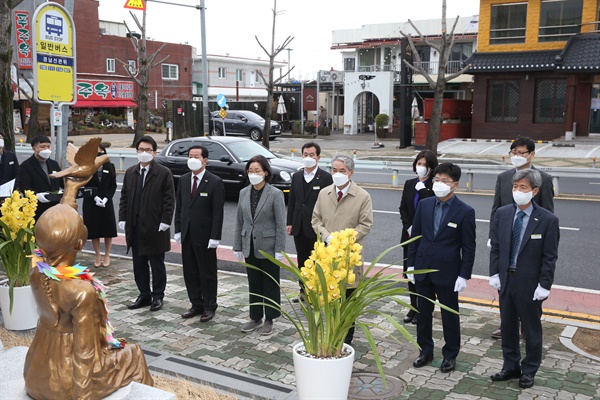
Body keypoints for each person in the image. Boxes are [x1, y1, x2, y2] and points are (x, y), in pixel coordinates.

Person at [489, 169, 559, 389]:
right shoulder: (503, 213)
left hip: (530, 284)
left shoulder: (548, 220)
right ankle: (511, 366)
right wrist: (494, 273)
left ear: (535, 191)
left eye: (523, 188)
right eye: (515, 187)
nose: (517, 191)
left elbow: (550, 256)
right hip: (506, 281)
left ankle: (529, 370)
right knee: (507, 327)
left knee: (530, 329)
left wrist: (544, 285)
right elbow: (496, 247)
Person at [407, 162, 476, 373]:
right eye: (436, 180)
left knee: (449, 316)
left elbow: (469, 246)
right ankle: (425, 351)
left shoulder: (465, 211)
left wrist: (464, 275)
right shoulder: (425, 205)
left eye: (444, 181)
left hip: (448, 272)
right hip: (422, 268)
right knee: (423, 313)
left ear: (454, 185)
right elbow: (415, 237)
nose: (439, 184)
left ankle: (450, 355)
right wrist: (410, 265)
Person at [488, 136, 554, 339]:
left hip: (531, 241)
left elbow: (548, 213)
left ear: (532, 154)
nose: (516, 156)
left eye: (521, 153)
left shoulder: (543, 179)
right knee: (506, 285)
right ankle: (507, 325)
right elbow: (496, 209)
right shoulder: (504, 178)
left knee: (529, 284)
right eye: (513, 152)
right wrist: (493, 236)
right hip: (507, 240)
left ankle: (528, 325)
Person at [311, 154, 373, 345]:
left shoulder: (362, 196)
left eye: (342, 171)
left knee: (347, 301)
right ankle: (330, 334)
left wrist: (342, 241)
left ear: (351, 173)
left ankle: (345, 340)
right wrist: (326, 236)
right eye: (334, 170)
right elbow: (316, 219)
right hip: (327, 257)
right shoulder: (324, 193)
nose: (337, 174)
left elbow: (365, 225)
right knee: (329, 299)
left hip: (348, 258)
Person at [119, 135, 175, 312]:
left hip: (155, 227)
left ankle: (158, 296)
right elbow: (124, 198)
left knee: (156, 264)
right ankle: (144, 294)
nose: (144, 153)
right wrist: (122, 218)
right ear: (136, 152)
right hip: (135, 226)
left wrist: (166, 221)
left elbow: (169, 200)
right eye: (141, 150)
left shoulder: (163, 173)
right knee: (139, 263)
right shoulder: (131, 172)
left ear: (155, 152)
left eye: (148, 150)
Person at [233, 155, 286, 336]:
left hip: (269, 246)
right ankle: (255, 317)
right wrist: (237, 246)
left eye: (257, 170)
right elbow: (240, 222)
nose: (253, 174)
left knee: (270, 283)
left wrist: (280, 249)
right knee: (254, 282)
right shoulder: (244, 193)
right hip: (249, 244)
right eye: (250, 170)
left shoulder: (275, 194)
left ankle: (270, 318)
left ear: (265, 172)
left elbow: (280, 224)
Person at [174, 145, 225, 322]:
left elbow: (218, 212)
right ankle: (196, 303)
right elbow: (179, 206)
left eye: (196, 156)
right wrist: (178, 229)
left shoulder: (215, 181)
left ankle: (210, 306)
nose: (192, 159)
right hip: (187, 234)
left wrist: (215, 236)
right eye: (190, 155)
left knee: (207, 272)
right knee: (190, 271)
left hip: (205, 236)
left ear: (205, 160)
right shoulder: (183, 179)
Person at [286, 142, 333, 303]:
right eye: (305, 154)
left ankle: (318, 293)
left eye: (311, 155)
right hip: (299, 225)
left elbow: (329, 204)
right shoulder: (297, 176)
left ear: (318, 157)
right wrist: (290, 222)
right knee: (302, 260)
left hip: (317, 227)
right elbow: (292, 201)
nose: (308, 157)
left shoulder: (326, 178)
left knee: (318, 261)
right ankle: (303, 291)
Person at [399, 150, 438, 325]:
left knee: (424, 276)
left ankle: (424, 310)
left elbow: (431, 208)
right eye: (419, 164)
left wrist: (423, 191)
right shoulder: (409, 183)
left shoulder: (433, 186)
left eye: (425, 165)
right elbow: (403, 208)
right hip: (409, 236)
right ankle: (413, 307)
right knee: (410, 274)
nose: (421, 167)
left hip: (426, 237)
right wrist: (409, 226)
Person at [82, 144, 117, 268]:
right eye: (97, 151)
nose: (100, 153)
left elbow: (113, 185)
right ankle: (97, 255)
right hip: (91, 202)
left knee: (108, 229)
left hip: (106, 202)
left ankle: (107, 254)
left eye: (101, 150)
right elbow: (85, 184)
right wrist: (95, 197)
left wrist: (106, 198)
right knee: (94, 230)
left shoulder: (109, 166)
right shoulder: (88, 167)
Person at [15, 134, 63, 221]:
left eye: (48, 147)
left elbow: (61, 183)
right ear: (34, 149)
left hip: (55, 206)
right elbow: (24, 187)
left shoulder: (53, 164)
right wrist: (37, 195)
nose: (46, 150)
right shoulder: (26, 166)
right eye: (42, 147)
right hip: (37, 208)